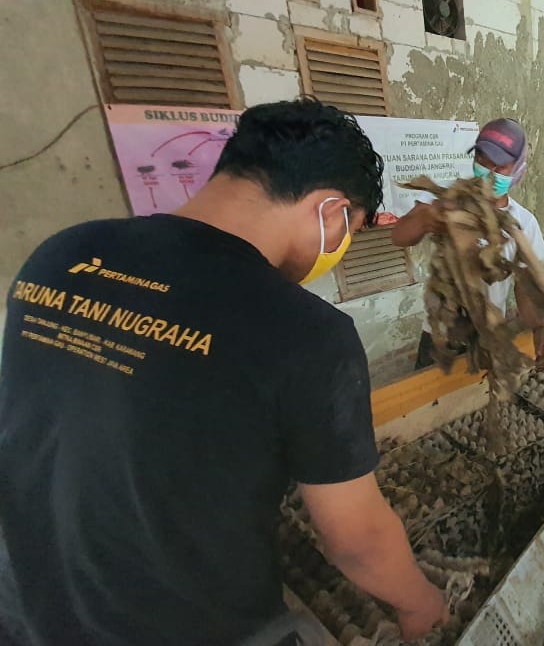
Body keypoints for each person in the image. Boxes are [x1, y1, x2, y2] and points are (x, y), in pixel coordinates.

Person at [0, 98, 447, 645]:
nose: (341, 247)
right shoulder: (306, 332)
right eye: (349, 230)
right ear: (330, 211)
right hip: (174, 627)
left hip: (26, 598)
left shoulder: (64, 253)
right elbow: (357, 540)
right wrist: (420, 601)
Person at [391, 118, 544, 369]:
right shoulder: (448, 197)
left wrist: (538, 327)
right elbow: (399, 236)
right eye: (482, 161)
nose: (489, 172)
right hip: (441, 336)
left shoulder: (524, 223)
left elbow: (524, 289)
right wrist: (425, 219)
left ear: (519, 170)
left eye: (500, 167)